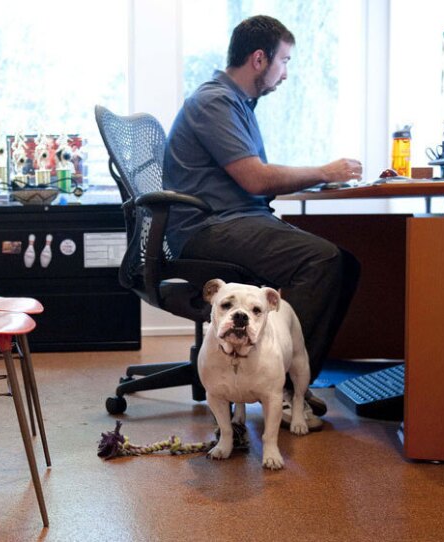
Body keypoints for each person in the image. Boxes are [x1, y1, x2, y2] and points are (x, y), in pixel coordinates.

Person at [163, 15, 361, 429]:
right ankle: (287, 392)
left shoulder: (238, 105)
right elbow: (254, 177)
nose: (285, 73)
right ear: (259, 59)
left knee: (345, 261)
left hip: (233, 220)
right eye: (283, 61)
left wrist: (320, 178)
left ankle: (290, 384)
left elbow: (252, 180)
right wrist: (325, 171)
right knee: (323, 261)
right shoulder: (214, 102)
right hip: (209, 229)